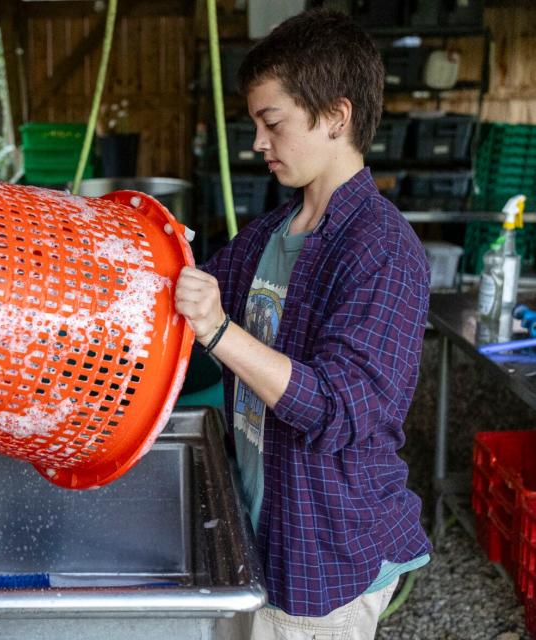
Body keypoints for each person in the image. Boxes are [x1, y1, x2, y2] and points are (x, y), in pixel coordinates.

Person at [174, 9, 432, 639]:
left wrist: (220, 332)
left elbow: (342, 408)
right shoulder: (269, 234)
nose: (259, 141)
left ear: (336, 117)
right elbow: (180, 311)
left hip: (326, 547)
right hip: (265, 524)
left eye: (273, 123)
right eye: (256, 124)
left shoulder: (383, 250)